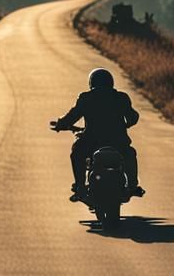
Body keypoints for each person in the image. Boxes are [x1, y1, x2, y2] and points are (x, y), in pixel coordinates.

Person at [50, 67, 144, 202]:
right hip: (118, 142)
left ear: (91, 83)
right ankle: (132, 186)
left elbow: (72, 116)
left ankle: (80, 186)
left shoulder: (86, 98)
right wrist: (125, 125)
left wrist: (60, 124)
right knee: (129, 153)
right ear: (110, 82)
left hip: (91, 142)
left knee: (77, 153)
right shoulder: (121, 97)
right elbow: (133, 117)